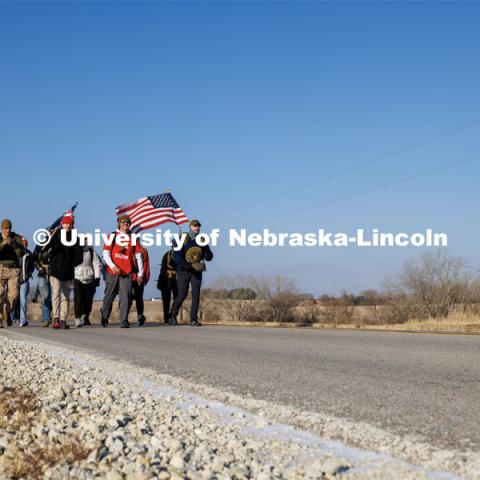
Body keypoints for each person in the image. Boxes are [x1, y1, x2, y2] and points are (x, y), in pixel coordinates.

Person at [100, 215, 143, 328]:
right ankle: (104, 315)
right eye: (123, 223)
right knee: (109, 296)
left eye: (128, 223)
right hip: (112, 272)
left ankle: (124, 320)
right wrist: (112, 266)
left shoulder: (133, 238)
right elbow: (105, 253)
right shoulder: (112, 236)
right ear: (119, 224)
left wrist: (140, 273)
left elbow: (138, 256)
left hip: (127, 272)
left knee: (126, 296)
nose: (125, 224)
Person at [170, 219, 213, 327]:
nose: (196, 228)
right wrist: (186, 266)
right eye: (194, 226)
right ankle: (173, 315)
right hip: (184, 271)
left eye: (198, 226)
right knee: (182, 294)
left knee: (196, 294)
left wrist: (205, 249)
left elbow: (209, 257)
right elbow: (176, 256)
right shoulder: (183, 239)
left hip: (196, 271)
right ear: (190, 227)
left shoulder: (202, 240)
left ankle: (193, 319)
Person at [48, 214, 82, 329]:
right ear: (61, 224)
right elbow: (47, 247)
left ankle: (63, 319)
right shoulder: (55, 235)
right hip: (56, 270)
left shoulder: (76, 238)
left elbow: (79, 255)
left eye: (70, 223)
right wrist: (49, 235)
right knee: (56, 293)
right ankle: (56, 318)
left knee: (65, 296)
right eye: (65, 223)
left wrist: (72, 264)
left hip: (68, 272)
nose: (67, 225)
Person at [0, 219, 25, 328]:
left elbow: (22, 252)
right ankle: (0, 317)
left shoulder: (16, 238)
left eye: (9, 228)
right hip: (1, 268)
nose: (7, 230)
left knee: (14, 295)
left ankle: (8, 311)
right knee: (0, 293)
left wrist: (14, 245)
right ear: (2, 229)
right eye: (5, 228)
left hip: (13, 269)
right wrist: (2, 245)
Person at [74, 242, 101, 328]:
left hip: (89, 278)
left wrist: (97, 278)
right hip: (77, 277)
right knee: (78, 299)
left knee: (88, 299)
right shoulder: (73, 250)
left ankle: (85, 316)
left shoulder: (91, 252)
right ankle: (77, 318)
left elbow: (96, 264)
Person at [33, 231, 53, 327]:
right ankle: (46, 318)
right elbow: (34, 257)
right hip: (42, 273)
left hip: (54, 273)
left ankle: (53, 315)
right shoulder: (40, 245)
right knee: (45, 296)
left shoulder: (56, 244)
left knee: (53, 296)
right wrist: (39, 268)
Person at [15, 237, 34, 327]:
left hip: (24, 279)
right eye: (23, 244)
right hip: (14, 279)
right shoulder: (15, 254)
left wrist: (28, 274)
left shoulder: (29, 254)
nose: (24, 245)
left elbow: (32, 266)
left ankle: (23, 319)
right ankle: (12, 316)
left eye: (25, 244)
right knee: (13, 297)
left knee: (23, 298)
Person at [157, 249, 178, 324]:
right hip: (167, 279)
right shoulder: (167, 255)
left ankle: (172, 315)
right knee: (166, 300)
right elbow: (163, 270)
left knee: (178, 298)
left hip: (175, 279)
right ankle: (167, 317)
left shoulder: (168, 254)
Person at [131, 246, 150, 326]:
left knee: (137, 297)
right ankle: (139, 315)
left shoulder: (143, 250)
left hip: (137, 278)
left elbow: (146, 264)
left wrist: (145, 277)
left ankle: (140, 315)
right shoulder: (125, 248)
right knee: (136, 298)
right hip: (131, 277)